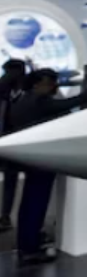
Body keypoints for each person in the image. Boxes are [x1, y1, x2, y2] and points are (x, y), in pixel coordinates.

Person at [9, 68, 87, 266]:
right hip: (41, 161)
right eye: (50, 83)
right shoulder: (39, 101)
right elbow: (64, 105)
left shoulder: (20, 100)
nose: (54, 87)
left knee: (29, 204)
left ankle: (27, 244)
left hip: (29, 159)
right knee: (36, 203)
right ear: (37, 84)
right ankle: (30, 250)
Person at [0, 59, 27, 232]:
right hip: (7, 139)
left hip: (20, 140)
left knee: (11, 180)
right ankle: (5, 217)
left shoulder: (28, 92)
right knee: (10, 180)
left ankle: (5, 216)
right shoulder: (4, 91)